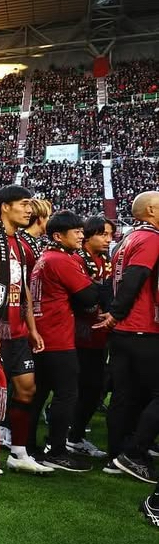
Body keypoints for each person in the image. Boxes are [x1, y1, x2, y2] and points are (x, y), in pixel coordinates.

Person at [0, 186, 50, 474]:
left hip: (18, 333)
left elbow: (25, 289)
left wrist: (32, 328)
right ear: (5, 207)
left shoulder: (19, 243)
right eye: (24, 203)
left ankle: (18, 452)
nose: (29, 210)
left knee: (27, 390)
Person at [27, 211, 103, 471]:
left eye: (82, 231)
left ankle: (29, 446)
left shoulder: (47, 257)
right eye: (76, 231)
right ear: (58, 236)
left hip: (44, 333)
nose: (81, 235)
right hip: (56, 336)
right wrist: (98, 286)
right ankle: (57, 449)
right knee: (67, 393)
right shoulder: (60, 260)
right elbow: (89, 295)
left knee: (40, 393)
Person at [100, 191, 159, 485]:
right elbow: (135, 278)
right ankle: (134, 453)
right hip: (142, 327)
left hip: (124, 331)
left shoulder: (128, 239)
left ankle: (116, 456)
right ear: (151, 210)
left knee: (125, 396)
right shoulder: (151, 239)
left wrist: (115, 315)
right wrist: (117, 312)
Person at [67, 216, 114, 459]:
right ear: (88, 235)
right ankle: (68, 437)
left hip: (99, 332)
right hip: (78, 333)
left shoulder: (104, 260)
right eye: (103, 234)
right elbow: (82, 297)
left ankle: (74, 436)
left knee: (94, 388)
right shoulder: (76, 259)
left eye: (110, 235)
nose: (109, 239)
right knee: (80, 387)